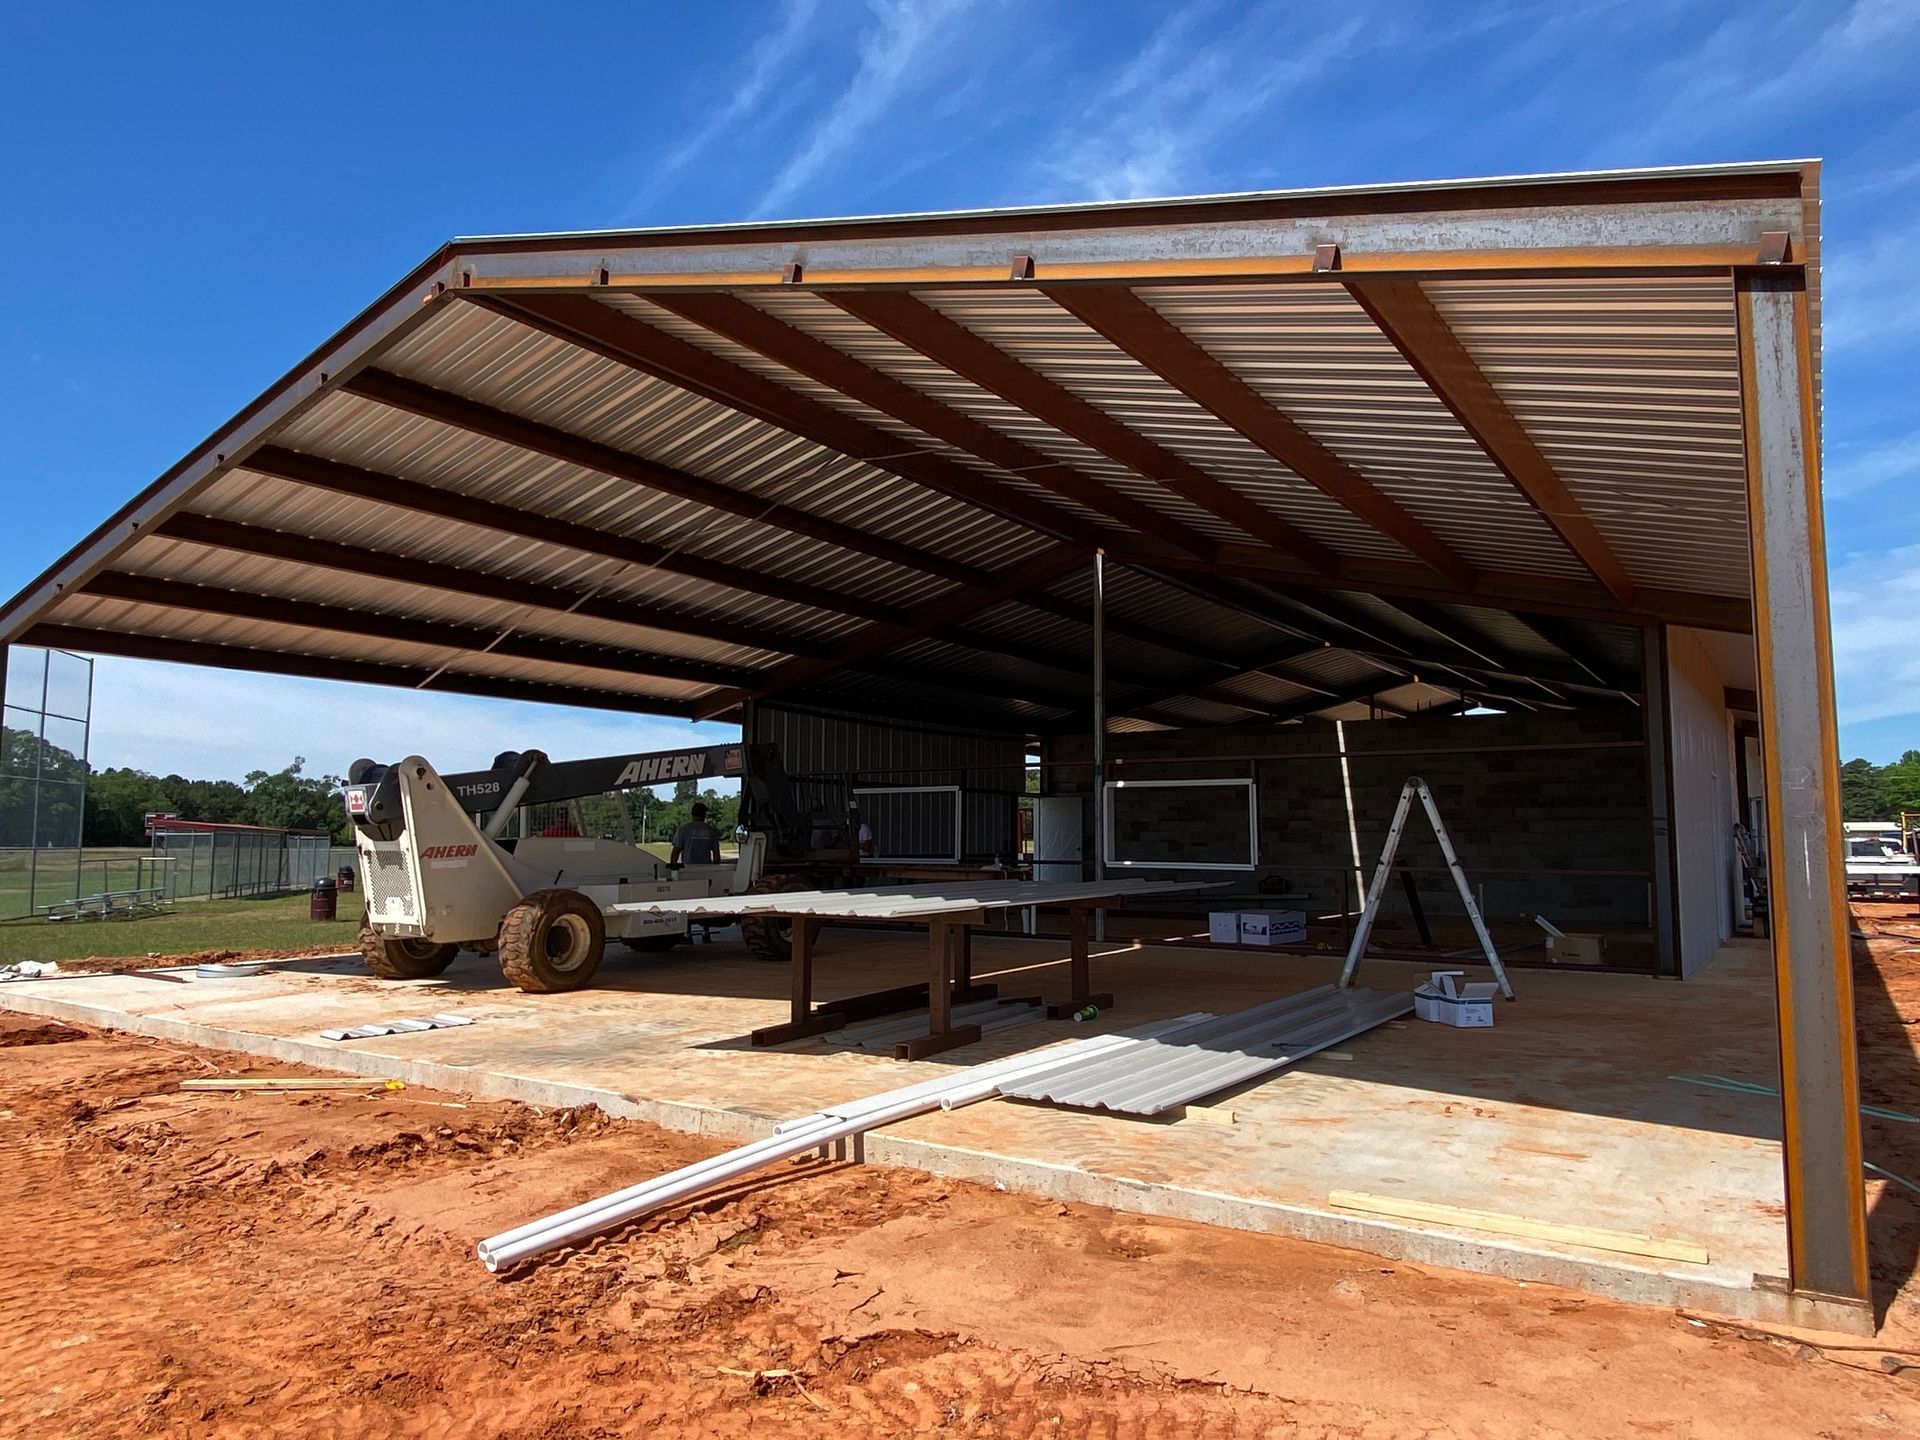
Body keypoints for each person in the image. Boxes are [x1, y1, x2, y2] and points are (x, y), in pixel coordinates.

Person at [669, 802, 722, 866]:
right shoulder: (711, 831)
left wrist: (673, 870)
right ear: (704, 815)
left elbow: (675, 852)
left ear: (692, 814)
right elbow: (716, 855)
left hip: (688, 870)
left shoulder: (683, 829)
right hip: (706, 870)